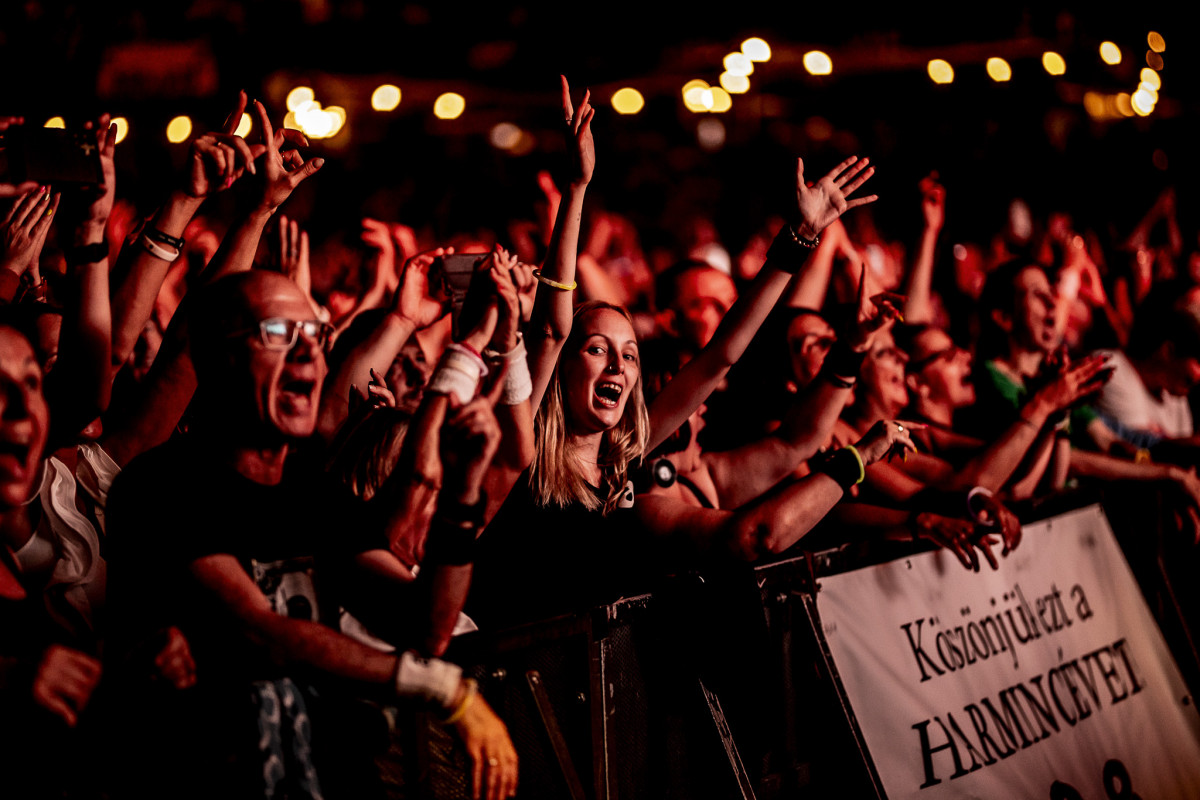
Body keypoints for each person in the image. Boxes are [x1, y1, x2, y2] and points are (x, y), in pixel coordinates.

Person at [105, 253, 517, 795]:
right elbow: (257, 630)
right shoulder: (161, 486)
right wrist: (432, 685)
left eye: (316, 334)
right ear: (216, 358)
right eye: (278, 332)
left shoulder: (311, 492)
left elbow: (424, 625)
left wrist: (463, 493)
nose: (308, 350)